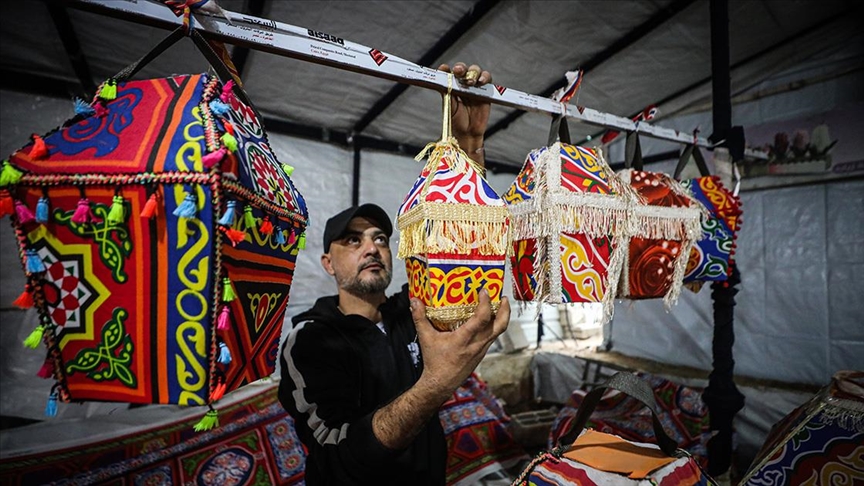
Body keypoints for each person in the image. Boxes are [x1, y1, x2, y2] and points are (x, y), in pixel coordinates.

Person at [278, 62, 510, 485]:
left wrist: (470, 145)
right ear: (327, 263)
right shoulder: (311, 340)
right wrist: (435, 384)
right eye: (352, 240)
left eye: (380, 238)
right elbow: (338, 454)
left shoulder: (416, 311)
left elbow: (464, 230)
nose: (371, 247)